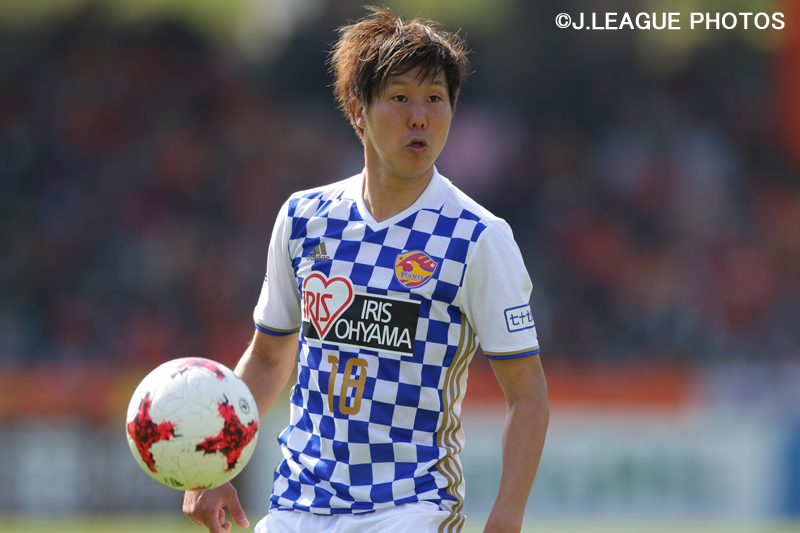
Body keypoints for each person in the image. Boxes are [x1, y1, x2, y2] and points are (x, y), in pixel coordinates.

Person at [183, 6, 549, 533]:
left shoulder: (477, 237)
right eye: (400, 98)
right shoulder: (304, 218)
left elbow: (527, 395)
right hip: (298, 504)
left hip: (410, 507)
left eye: (436, 99)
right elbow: (267, 359)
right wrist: (218, 462)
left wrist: (506, 518)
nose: (420, 117)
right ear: (358, 110)